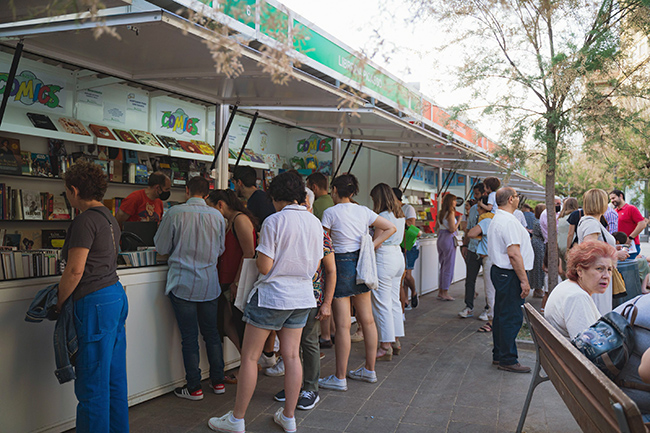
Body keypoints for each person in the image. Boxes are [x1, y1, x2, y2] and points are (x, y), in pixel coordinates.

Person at [208, 172, 324, 433]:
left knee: (249, 357)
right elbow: (316, 265)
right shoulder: (314, 222)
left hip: (272, 296)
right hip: (302, 297)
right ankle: (289, 417)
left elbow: (264, 266)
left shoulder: (274, 221)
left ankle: (237, 419)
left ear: (276, 196)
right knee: (293, 356)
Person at [55, 160, 128, 433]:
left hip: (94, 303)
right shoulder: (109, 217)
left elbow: (75, 270)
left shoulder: (84, 220)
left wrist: (59, 302)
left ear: (74, 190)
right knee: (113, 380)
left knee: (91, 385)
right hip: (115, 296)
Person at [318, 174, 396, 392]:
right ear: (352, 193)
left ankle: (340, 377)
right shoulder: (363, 211)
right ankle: (369, 371)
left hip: (339, 265)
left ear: (334, 190)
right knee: (368, 321)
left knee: (343, 324)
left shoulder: (329, 213)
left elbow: (324, 242)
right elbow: (391, 228)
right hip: (362, 264)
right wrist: (371, 245)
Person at [154, 176, 227, 400]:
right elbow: (221, 249)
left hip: (182, 283)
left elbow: (161, 247)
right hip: (209, 284)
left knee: (189, 338)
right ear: (207, 194)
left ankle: (194, 387)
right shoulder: (218, 216)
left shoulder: (174, 213)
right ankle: (218, 382)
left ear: (187, 190)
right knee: (212, 335)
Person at [273, 228, 336, 411]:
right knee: (291, 345)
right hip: (288, 294)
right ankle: (295, 386)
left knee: (308, 341)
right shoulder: (285, 227)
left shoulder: (319, 233)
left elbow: (331, 270)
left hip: (311, 296)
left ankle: (310, 389)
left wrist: (327, 303)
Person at [206, 189, 257, 382]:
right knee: (227, 324)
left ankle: (248, 366)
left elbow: (248, 253)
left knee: (237, 323)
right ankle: (247, 363)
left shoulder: (240, 220)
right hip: (227, 279)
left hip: (236, 281)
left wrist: (237, 282)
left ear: (220, 204)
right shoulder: (230, 222)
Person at [487, 187, 534, 373]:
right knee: (511, 317)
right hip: (510, 274)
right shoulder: (507, 221)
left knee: (502, 315)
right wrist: (524, 280)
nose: (518, 199)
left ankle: (500, 354)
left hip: (502, 272)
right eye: (517, 196)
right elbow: (514, 254)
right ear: (511, 199)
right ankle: (508, 358)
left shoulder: (499, 219)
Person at [544, 241, 617, 339]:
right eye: (599, 268)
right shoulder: (577, 297)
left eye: (609, 269)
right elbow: (589, 345)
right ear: (580, 271)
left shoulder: (567, 286)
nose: (606, 276)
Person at [577, 188, 629, 314]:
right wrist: (616, 254)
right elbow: (590, 251)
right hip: (597, 276)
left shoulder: (589, 222)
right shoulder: (592, 224)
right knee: (599, 313)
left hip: (596, 275)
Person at [370, 183, 406, 361]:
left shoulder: (382, 216)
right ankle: (396, 341)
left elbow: (377, 241)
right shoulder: (399, 214)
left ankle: (385, 346)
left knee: (381, 302)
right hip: (398, 257)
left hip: (384, 258)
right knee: (394, 301)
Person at [307, 172, 336, 348]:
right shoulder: (333, 203)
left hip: (319, 257)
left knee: (322, 297)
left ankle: (325, 335)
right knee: (329, 296)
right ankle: (331, 332)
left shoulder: (316, 205)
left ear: (314, 187)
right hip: (332, 254)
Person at [466, 195, 495, 332]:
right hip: (497, 258)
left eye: (479, 206)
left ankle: (491, 320)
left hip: (488, 258)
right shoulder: (498, 219)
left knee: (490, 290)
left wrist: (480, 234)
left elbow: (471, 233)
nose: (477, 209)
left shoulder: (486, 221)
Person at [459, 182, 486, 318]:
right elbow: (469, 228)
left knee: (488, 281)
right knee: (470, 279)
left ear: (484, 193)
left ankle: (488, 308)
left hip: (486, 251)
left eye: (476, 194)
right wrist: (465, 245)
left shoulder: (493, 210)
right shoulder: (474, 209)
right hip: (472, 248)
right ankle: (468, 306)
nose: (474, 197)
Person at [393, 187, 420, 310]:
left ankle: (414, 291)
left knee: (407, 276)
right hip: (398, 246)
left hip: (409, 246)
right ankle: (405, 301)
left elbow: (411, 225)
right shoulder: (391, 210)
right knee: (402, 276)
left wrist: (398, 218)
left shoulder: (408, 208)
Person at [610, 189, 646, 260]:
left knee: (628, 269)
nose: (612, 201)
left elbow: (642, 224)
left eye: (613, 198)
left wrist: (630, 238)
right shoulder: (614, 212)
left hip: (631, 246)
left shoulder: (631, 208)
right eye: (611, 199)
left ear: (621, 196)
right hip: (618, 246)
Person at [437, 193, 460, 301]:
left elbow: (437, 227)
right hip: (448, 239)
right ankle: (445, 291)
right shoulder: (451, 213)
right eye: (454, 200)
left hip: (441, 238)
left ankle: (440, 290)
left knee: (443, 265)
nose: (456, 203)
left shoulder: (441, 213)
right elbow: (452, 229)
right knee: (448, 266)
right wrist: (459, 221)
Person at [530, 204, 546, 298]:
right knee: (539, 266)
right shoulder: (540, 222)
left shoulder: (537, 221)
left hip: (537, 243)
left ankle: (538, 288)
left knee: (537, 266)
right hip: (539, 244)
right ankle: (538, 288)